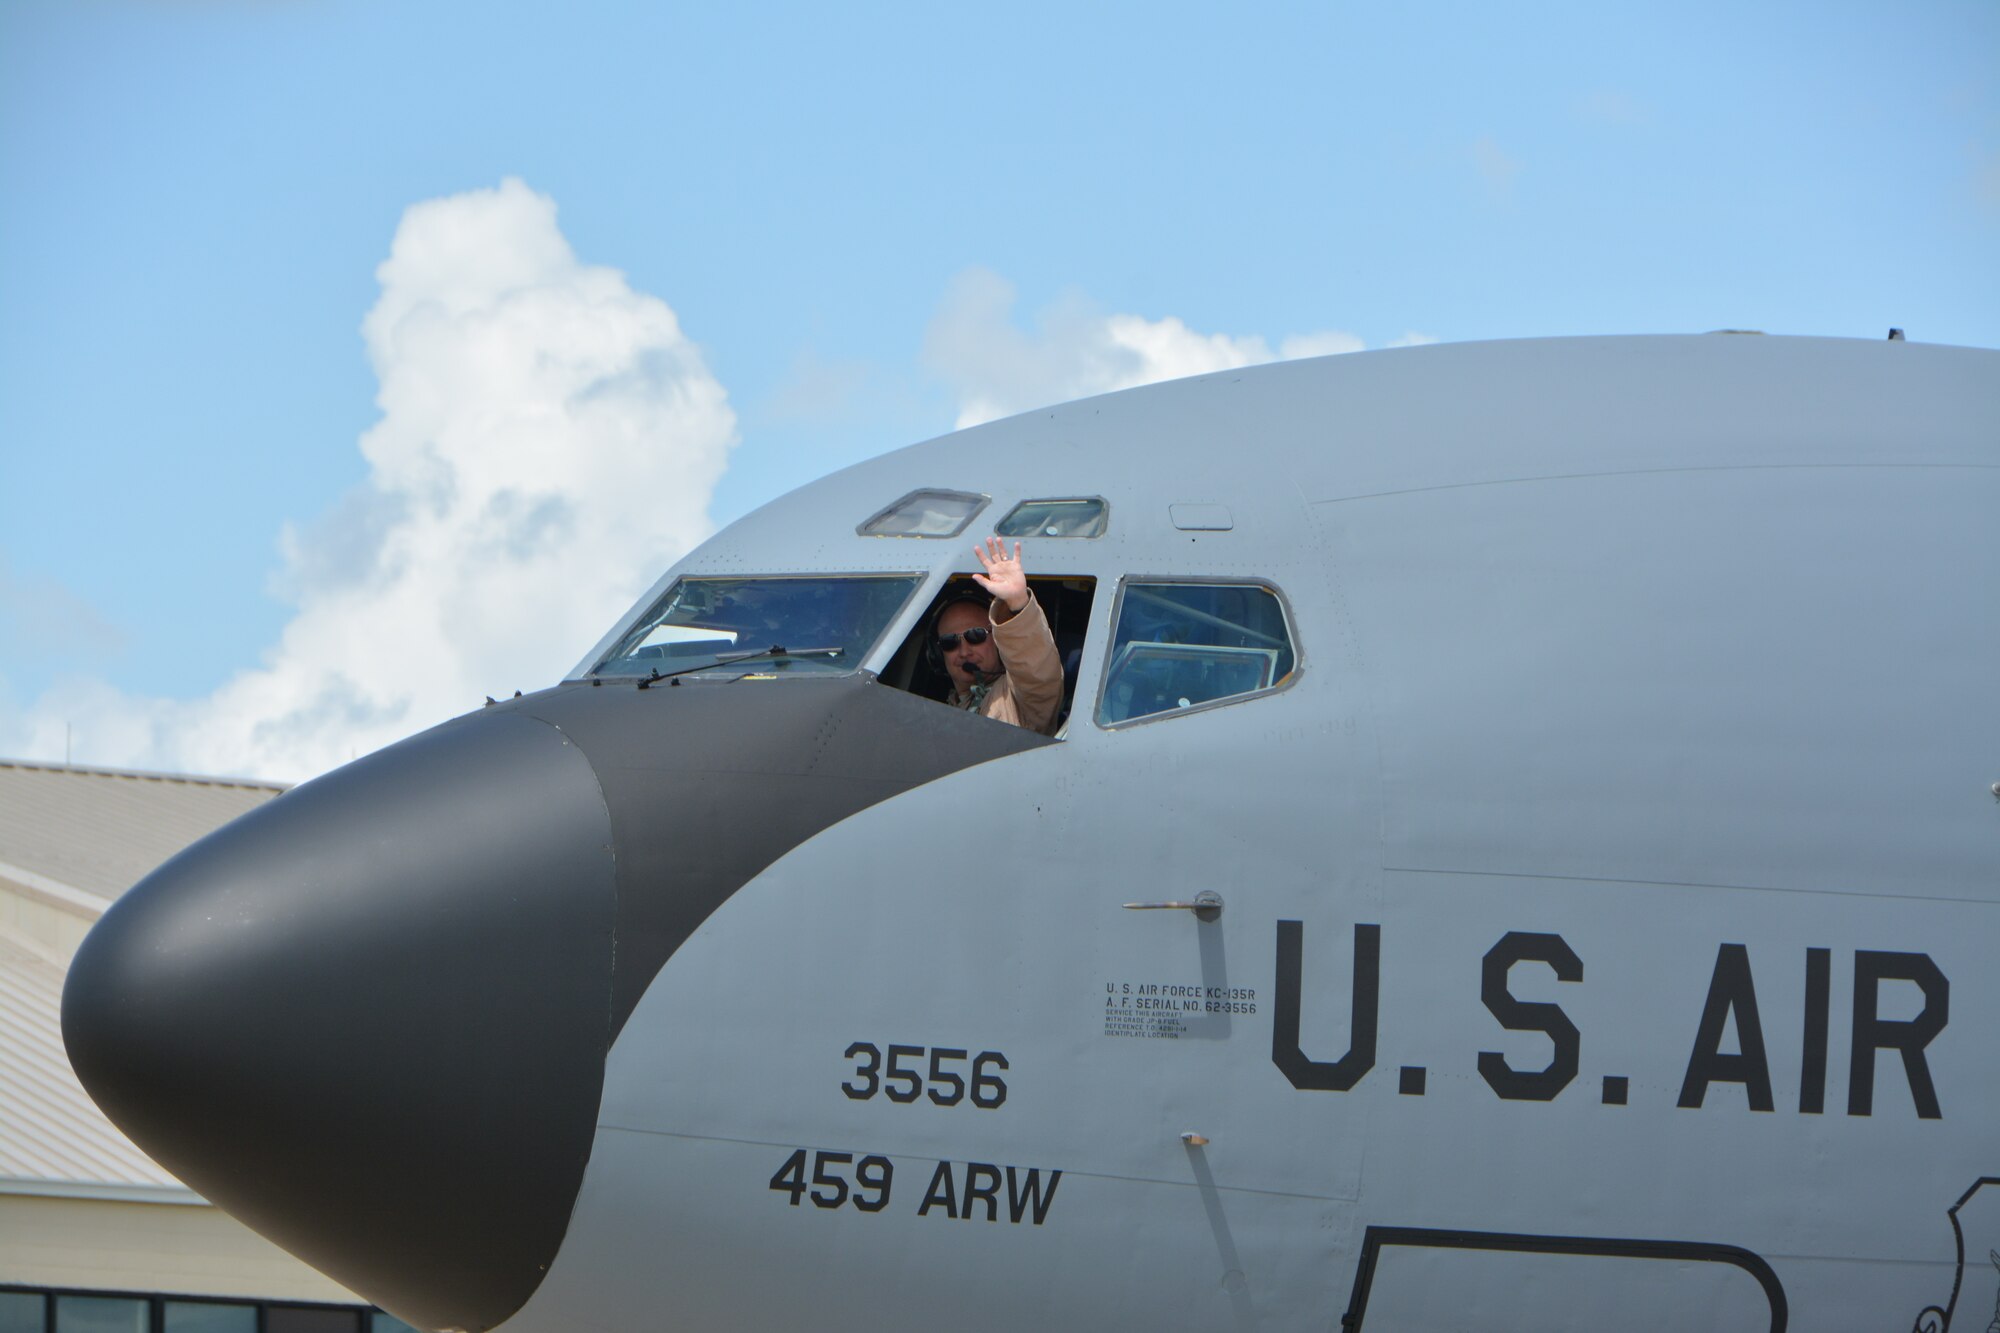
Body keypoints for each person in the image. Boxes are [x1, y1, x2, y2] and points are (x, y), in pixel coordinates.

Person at [933, 537, 1064, 736]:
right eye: (949, 642)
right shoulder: (937, 713)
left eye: (975, 636)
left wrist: (1017, 602)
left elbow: (1034, 668)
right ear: (936, 653)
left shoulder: (1020, 698)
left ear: (997, 640)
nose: (964, 651)